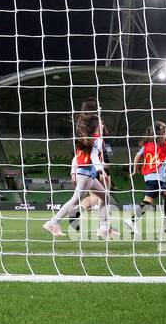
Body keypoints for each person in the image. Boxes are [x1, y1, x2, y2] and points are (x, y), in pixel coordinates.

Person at [45, 101, 117, 239]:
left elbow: (78, 156)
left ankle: (103, 228)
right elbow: (94, 156)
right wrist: (101, 170)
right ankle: (53, 222)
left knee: (105, 197)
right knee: (75, 200)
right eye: (101, 124)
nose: (103, 125)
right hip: (86, 173)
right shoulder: (95, 139)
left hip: (87, 172)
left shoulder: (87, 137)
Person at [126, 121, 166, 233]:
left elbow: (137, 157)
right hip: (157, 178)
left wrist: (135, 170)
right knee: (148, 202)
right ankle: (131, 220)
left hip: (150, 177)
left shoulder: (147, 146)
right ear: (162, 134)